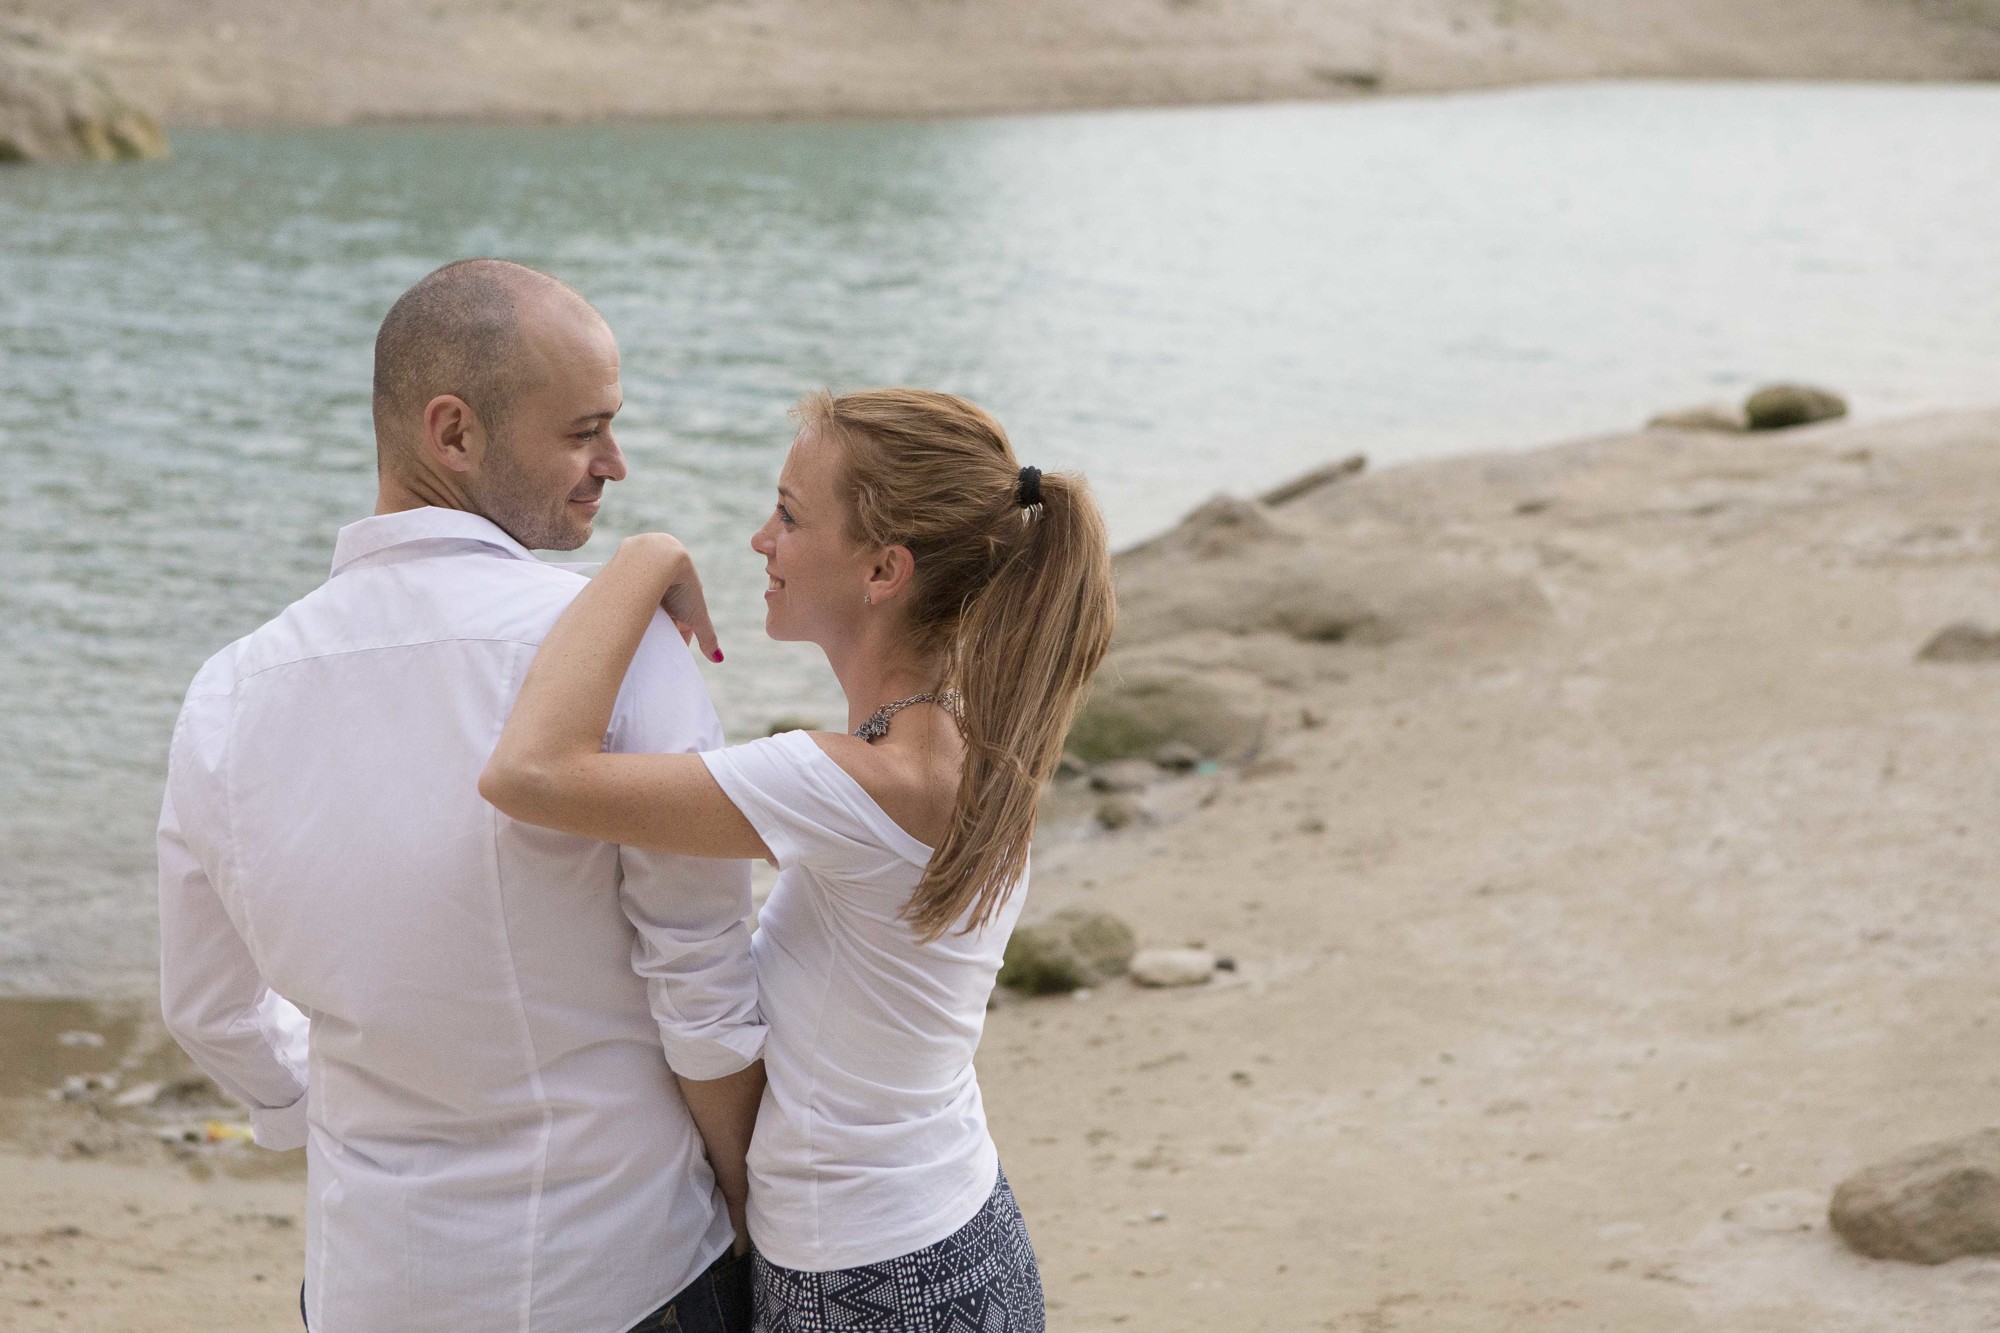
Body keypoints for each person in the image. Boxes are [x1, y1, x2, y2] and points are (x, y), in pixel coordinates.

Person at [157, 259, 764, 1333]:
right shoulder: (617, 645)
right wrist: (748, 1202)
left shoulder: (227, 692)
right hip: (621, 1264)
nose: (613, 465)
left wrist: (325, 1110)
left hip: (369, 1283)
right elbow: (703, 994)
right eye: (585, 431)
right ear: (452, 432)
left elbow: (208, 1008)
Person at [480, 387, 1116, 1332]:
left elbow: (528, 772)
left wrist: (641, 558)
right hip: (953, 1231)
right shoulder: (975, 745)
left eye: (788, 514)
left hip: (865, 1278)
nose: (759, 541)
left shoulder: (857, 782)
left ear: (884, 569)